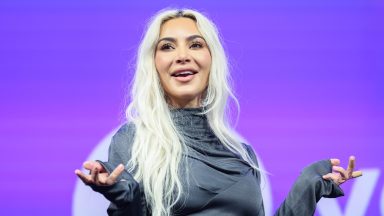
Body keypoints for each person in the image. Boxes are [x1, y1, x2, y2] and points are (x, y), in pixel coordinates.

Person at [75, 8, 362, 216]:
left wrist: (308, 187)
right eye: (167, 47)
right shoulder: (134, 139)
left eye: (196, 44)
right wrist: (122, 195)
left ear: (212, 59)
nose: (182, 55)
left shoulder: (241, 152)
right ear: (154, 64)